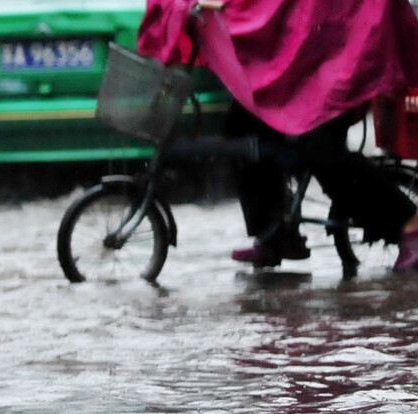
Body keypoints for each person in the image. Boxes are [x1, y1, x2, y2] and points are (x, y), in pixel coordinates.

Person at [138, 0, 418, 272]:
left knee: (320, 149)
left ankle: (409, 222)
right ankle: (275, 233)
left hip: (344, 52)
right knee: (242, 125)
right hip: (303, 57)